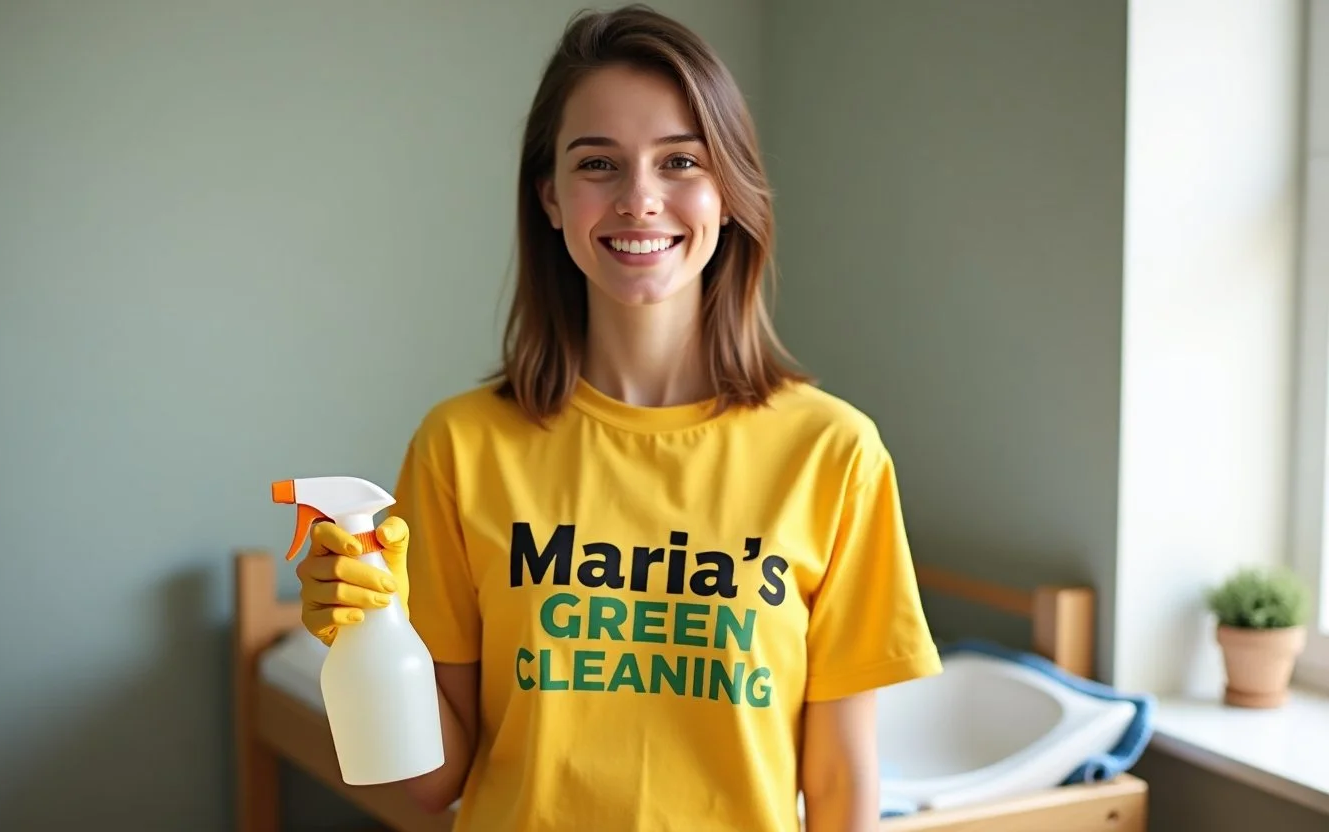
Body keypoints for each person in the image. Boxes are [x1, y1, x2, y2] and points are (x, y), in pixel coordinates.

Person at [294, 5, 941, 830]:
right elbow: (432, 784)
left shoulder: (833, 454)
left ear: (728, 190)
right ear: (551, 198)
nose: (640, 199)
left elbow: (843, 784)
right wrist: (363, 632)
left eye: (680, 161)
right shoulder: (460, 447)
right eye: (598, 163)